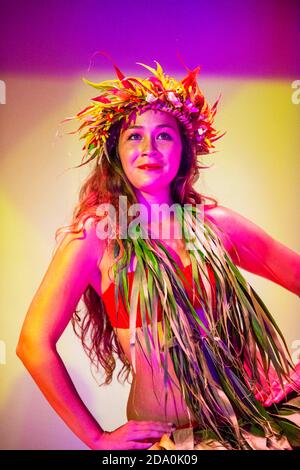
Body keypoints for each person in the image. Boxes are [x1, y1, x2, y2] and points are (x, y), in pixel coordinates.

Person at [16, 60, 300, 450]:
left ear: (183, 151)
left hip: (254, 425)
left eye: (164, 136)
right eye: (134, 136)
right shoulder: (97, 237)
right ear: (115, 152)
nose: (149, 148)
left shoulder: (217, 225)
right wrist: (97, 438)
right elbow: (33, 342)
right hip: (171, 442)